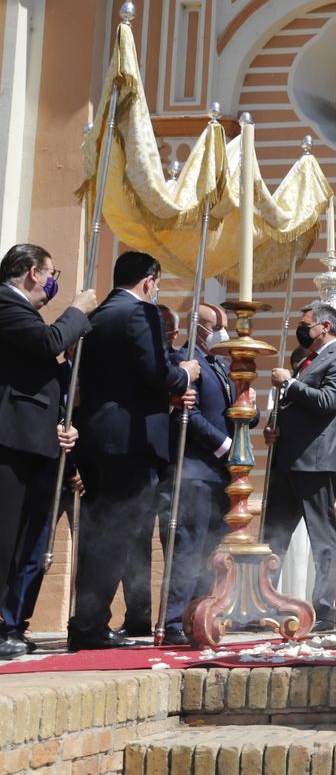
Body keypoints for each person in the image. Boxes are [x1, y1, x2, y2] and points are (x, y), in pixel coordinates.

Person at [69, 251, 198, 651]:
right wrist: (185, 375)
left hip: (96, 435)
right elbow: (157, 370)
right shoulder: (141, 314)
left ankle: (86, 619)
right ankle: (90, 625)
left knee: (98, 532)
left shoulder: (97, 316)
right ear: (149, 280)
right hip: (129, 440)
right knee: (118, 534)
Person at [0, 244, 95, 659]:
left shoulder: (24, 311)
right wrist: (78, 309)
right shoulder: (6, 303)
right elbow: (48, 342)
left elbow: (38, 381)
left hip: (34, 441)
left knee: (24, 540)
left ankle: (9, 622)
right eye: (51, 273)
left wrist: (58, 426)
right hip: (9, 442)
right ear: (32, 273)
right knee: (5, 539)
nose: (53, 283)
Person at [262, 302, 336, 634]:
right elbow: (292, 408)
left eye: (306, 325)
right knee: (273, 535)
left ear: (325, 327)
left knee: (322, 536)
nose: (301, 330)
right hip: (286, 457)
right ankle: (264, 602)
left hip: (315, 460)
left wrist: (290, 384)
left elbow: (326, 401)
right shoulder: (302, 360)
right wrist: (275, 427)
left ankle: (325, 607)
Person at [160, 302, 236, 644]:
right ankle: (173, 621)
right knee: (187, 551)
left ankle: (199, 616)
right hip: (194, 472)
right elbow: (184, 417)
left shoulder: (221, 364)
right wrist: (224, 444)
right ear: (198, 327)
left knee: (210, 551)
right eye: (215, 324)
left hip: (219, 475)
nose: (222, 329)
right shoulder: (186, 361)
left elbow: (231, 410)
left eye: (224, 323)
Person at [119, 304, 184, 637]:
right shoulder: (139, 363)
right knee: (135, 541)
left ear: (171, 335)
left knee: (172, 540)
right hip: (145, 457)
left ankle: (173, 618)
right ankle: (138, 614)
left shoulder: (182, 362)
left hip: (176, 464)